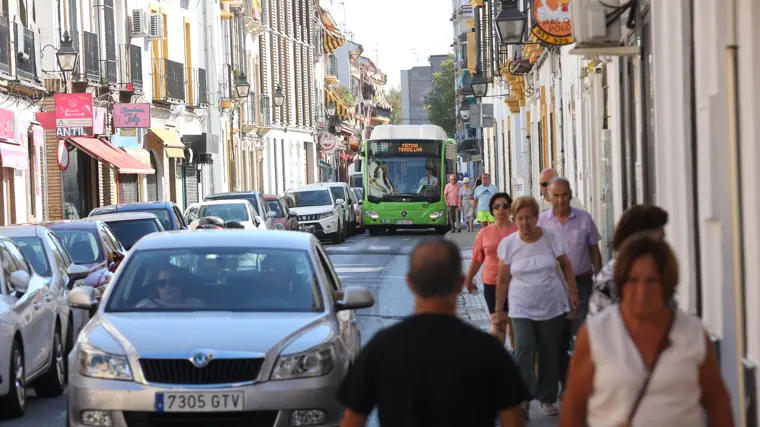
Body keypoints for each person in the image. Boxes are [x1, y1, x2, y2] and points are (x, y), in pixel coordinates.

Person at [337, 239, 529, 427]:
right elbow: (513, 419)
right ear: (460, 283)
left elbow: (352, 420)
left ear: (410, 282)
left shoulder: (381, 348)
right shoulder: (490, 351)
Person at [559, 234, 733, 427]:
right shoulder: (596, 335)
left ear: (667, 283)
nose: (642, 291)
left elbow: (718, 404)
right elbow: (574, 407)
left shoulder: (692, 333)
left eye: (652, 281)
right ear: (621, 283)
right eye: (633, 280)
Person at [493, 196, 579, 418]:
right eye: (520, 218)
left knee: (549, 351)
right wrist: (499, 309)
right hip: (521, 306)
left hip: (552, 305)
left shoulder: (551, 238)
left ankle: (547, 397)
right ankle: (522, 397)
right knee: (524, 349)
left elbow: (566, 265)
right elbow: (502, 280)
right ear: (515, 219)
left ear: (536, 218)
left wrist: (574, 292)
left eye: (529, 218)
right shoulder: (509, 244)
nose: (525, 223)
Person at [538, 177, 602, 393]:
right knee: (559, 339)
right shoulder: (541, 222)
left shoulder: (584, 218)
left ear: (571, 194)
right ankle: (566, 384)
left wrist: (599, 277)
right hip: (553, 286)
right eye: (555, 195)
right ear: (548, 197)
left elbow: (594, 250)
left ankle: (585, 383)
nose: (561, 200)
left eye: (564, 194)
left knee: (584, 333)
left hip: (582, 282)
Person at [588, 204, 669, 317]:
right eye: (658, 242)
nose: (662, 249)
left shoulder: (657, 274)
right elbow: (600, 327)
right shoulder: (610, 280)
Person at [465, 193, 518, 346]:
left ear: (510, 209)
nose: (501, 210)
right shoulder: (484, 233)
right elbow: (477, 259)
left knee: (514, 326)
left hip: (516, 283)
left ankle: (517, 358)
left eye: (505, 206)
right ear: (492, 211)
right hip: (492, 283)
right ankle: (498, 361)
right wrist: (469, 279)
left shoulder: (518, 230)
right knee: (498, 323)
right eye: (497, 206)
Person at [135, 266, 205, 309]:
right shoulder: (144, 306)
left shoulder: (196, 305)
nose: (167, 287)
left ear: (181, 284)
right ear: (156, 286)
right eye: (162, 283)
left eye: (173, 282)